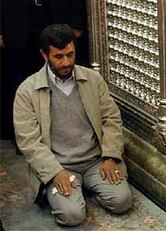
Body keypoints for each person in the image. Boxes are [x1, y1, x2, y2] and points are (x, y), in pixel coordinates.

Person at [13, 24, 133, 226]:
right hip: (60, 166)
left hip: (95, 161)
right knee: (71, 216)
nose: (66, 62)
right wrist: (54, 173)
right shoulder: (27, 91)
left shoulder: (93, 79)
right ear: (44, 55)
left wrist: (110, 155)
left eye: (70, 55)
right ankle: (69, 193)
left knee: (122, 201)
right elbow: (29, 142)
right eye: (58, 57)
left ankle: (86, 188)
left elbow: (111, 119)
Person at [0, 0, 83, 140]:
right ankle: (24, 136)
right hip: (14, 18)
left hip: (51, 12)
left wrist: (75, 23)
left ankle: (56, 134)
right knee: (18, 76)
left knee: (55, 73)